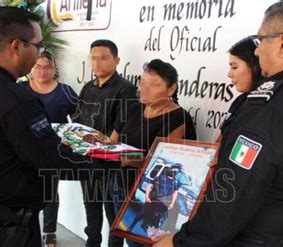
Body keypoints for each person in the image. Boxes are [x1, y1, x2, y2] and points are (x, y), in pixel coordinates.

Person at [154, 1, 283, 246]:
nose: (258, 51)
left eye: (261, 40)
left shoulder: (273, 106)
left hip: (257, 237)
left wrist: (182, 241)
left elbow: (234, 195)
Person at [0, 7, 103, 247]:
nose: (40, 54)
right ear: (16, 46)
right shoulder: (15, 101)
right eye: (38, 46)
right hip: (4, 230)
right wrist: (111, 161)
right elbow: (52, 160)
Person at [108, 59, 197, 246]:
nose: (144, 89)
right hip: (120, 185)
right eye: (142, 82)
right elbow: (112, 142)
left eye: (153, 84)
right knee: (120, 233)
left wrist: (128, 159)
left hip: (153, 198)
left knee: (141, 241)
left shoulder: (178, 118)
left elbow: (164, 163)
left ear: (171, 89)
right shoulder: (132, 108)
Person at [72, 39, 137, 247]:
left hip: (110, 165)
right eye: (93, 58)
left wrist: (100, 151)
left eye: (104, 58)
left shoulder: (126, 89)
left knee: (113, 215)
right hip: (87, 161)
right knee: (91, 209)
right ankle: (92, 243)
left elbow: (118, 131)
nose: (97, 63)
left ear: (117, 60)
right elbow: (78, 121)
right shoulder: (87, 88)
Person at [18, 50, 79, 247]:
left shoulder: (65, 91)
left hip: (51, 152)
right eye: (38, 67)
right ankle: (24, 228)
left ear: (54, 69)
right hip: (22, 151)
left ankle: (49, 231)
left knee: (50, 193)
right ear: (31, 69)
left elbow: (79, 122)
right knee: (24, 190)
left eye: (47, 67)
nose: (42, 72)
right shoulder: (19, 89)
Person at [209, 36, 265, 166]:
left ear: (255, 66)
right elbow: (220, 141)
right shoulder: (240, 100)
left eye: (234, 67)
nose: (229, 74)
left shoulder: (267, 107)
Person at [127, 164, 182, 238]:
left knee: (156, 217)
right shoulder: (161, 177)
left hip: (163, 203)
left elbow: (175, 193)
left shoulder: (177, 182)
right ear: (170, 169)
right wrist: (147, 197)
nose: (175, 172)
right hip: (154, 199)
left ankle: (147, 229)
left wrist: (172, 203)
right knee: (142, 213)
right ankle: (131, 226)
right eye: (174, 170)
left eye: (177, 171)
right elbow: (150, 186)